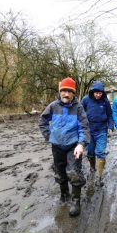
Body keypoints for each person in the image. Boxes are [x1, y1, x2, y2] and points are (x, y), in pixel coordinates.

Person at [39, 77, 90, 217]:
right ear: (60, 91)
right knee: (59, 171)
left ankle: (76, 201)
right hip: (56, 146)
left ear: (73, 93)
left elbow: (84, 127)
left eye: (69, 91)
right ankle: (64, 194)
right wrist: (49, 136)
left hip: (73, 146)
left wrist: (81, 144)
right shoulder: (53, 106)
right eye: (64, 91)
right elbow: (42, 121)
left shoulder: (78, 108)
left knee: (73, 172)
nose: (66, 94)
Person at [81, 81, 114, 186]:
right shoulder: (86, 100)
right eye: (96, 92)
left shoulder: (105, 101)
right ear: (92, 91)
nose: (98, 94)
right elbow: (80, 113)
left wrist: (110, 127)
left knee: (100, 152)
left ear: (103, 93)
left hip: (101, 130)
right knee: (90, 153)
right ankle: (92, 167)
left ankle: (99, 177)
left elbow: (110, 115)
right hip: (89, 131)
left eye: (100, 93)